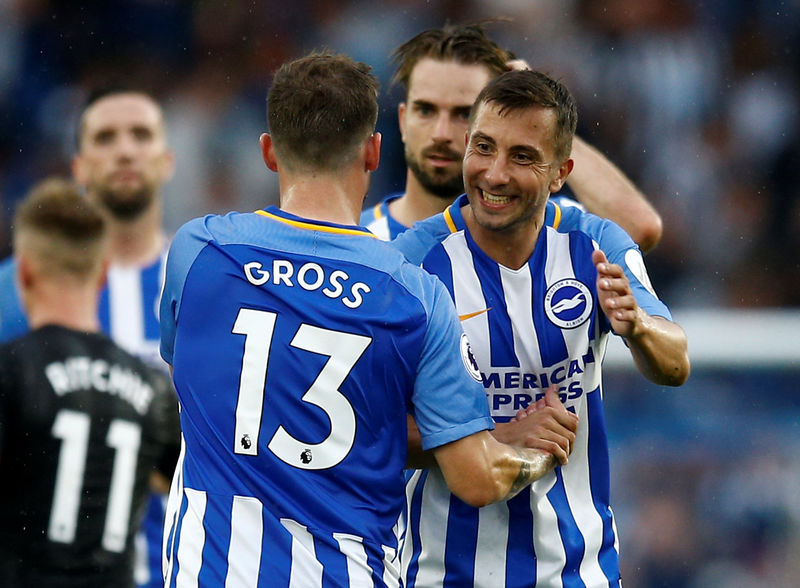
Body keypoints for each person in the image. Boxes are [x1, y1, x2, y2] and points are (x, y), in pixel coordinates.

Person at [158, 52, 577, 586]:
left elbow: (192, 376)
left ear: (267, 151)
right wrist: (533, 451)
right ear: (375, 150)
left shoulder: (199, 251)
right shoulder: (413, 295)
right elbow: (476, 479)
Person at [391, 70, 690, 587]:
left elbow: (674, 363)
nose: (495, 173)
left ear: (560, 172)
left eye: (523, 157)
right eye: (483, 148)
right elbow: (368, 430)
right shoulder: (410, 265)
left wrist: (637, 325)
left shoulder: (593, 243)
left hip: (579, 571)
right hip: (441, 573)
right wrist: (489, 440)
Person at [0, 88, 176, 588]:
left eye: (140, 135)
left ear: (167, 161)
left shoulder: (209, 289)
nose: (124, 150)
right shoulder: (11, 290)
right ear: (78, 167)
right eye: (105, 137)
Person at [361, 23, 663, 253]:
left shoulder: (552, 229)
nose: (440, 134)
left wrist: (546, 124)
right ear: (403, 120)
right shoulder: (358, 239)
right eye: (425, 110)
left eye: (463, 114)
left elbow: (639, 229)